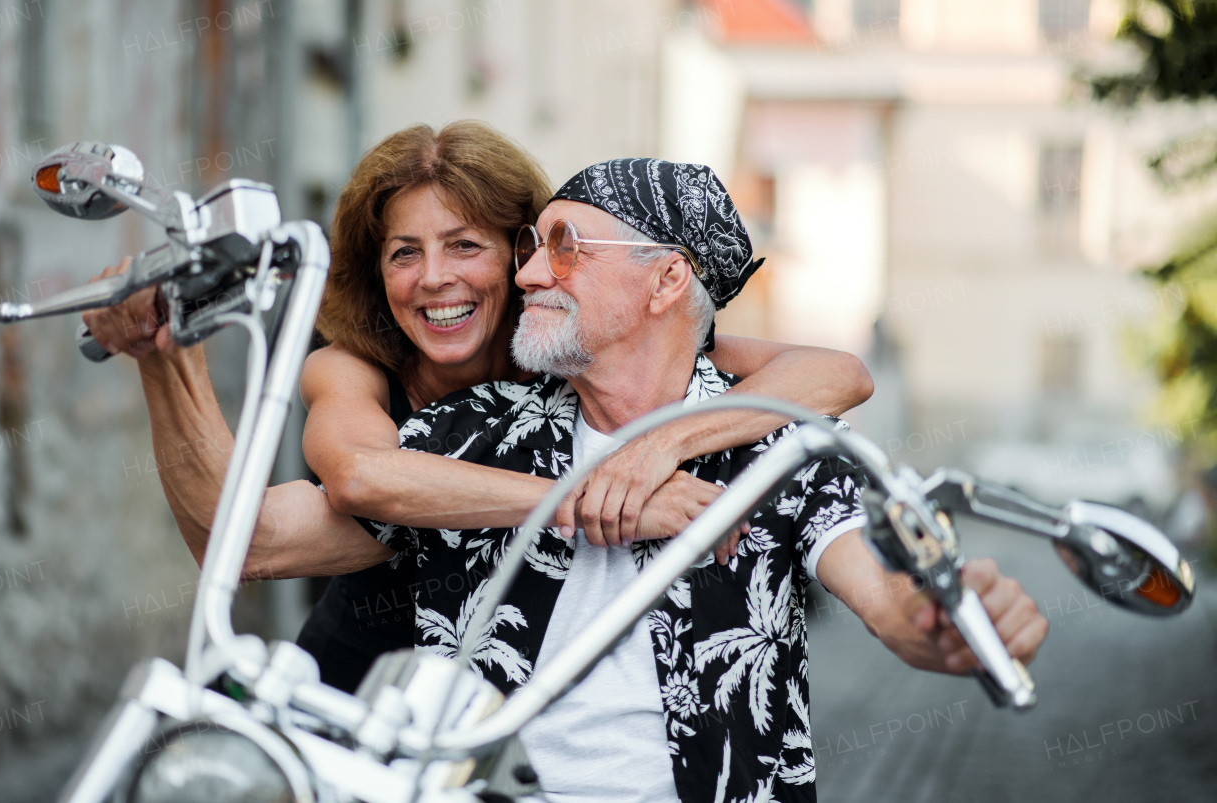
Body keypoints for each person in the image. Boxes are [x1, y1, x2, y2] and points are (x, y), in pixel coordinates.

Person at [342, 158, 1049, 803]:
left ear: (667, 279)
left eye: (564, 247)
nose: (526, 274)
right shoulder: (474, 429)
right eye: (531, 248)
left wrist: (940, 623)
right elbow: (278, 533)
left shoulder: (777, 443)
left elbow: (885, 594)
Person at [81, 121, 874, 693]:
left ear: (523, 254)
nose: (434, 279)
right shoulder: (353, 368)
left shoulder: (578, 358)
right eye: (404, 253)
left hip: (491, 725)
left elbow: (835, 373)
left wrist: (656, 449)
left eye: (465, 245)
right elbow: (311, 503)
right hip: (355, 685)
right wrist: (163, 354)